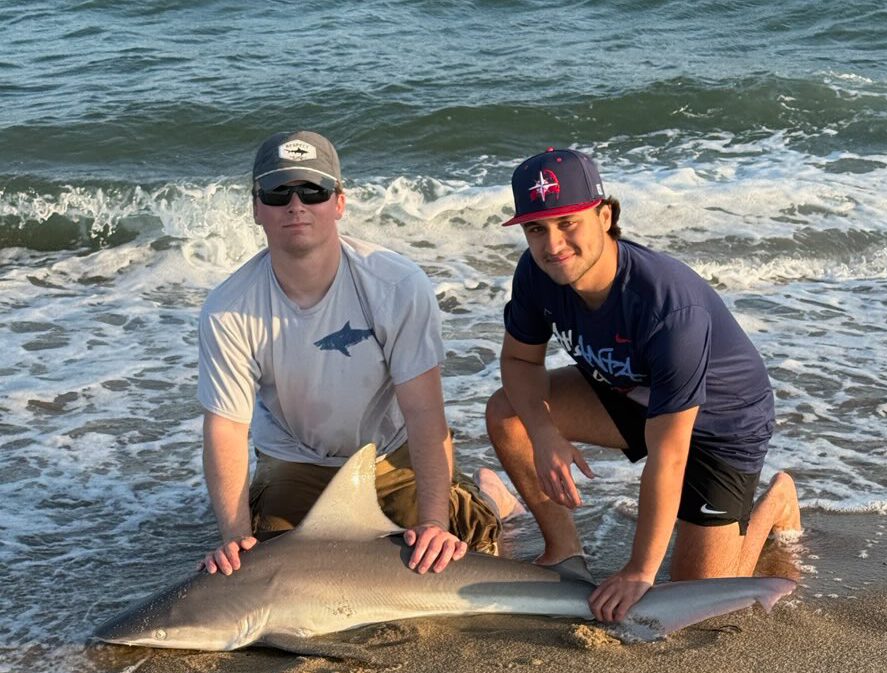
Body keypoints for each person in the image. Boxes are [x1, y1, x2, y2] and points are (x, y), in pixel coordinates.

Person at [486, 147, 801, 624]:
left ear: (604, 215)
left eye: (567, 222)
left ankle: (774, 502)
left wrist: (639, 570)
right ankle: (563, 552)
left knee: (700, 600)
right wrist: (545, 433)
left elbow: (670, 453)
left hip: (721, 423)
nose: (552, 245)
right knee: (509, 412)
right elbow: (518, 360)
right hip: (627, 391)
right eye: (536, 229)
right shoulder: (537, 273)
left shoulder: (666, 307)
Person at [197, 130, 505, 576]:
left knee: (458, 547)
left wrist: (436, 523)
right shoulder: (228, 309)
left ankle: (491, 493)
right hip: (295, 457)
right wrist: (232, 538)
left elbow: (423, 411)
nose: (296, 205)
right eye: (278, 192)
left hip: (389, 452)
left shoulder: (396, 285)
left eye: (313, 190)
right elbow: (225, 428)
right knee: (267, 565)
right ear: (256, 207)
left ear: (339, 202)